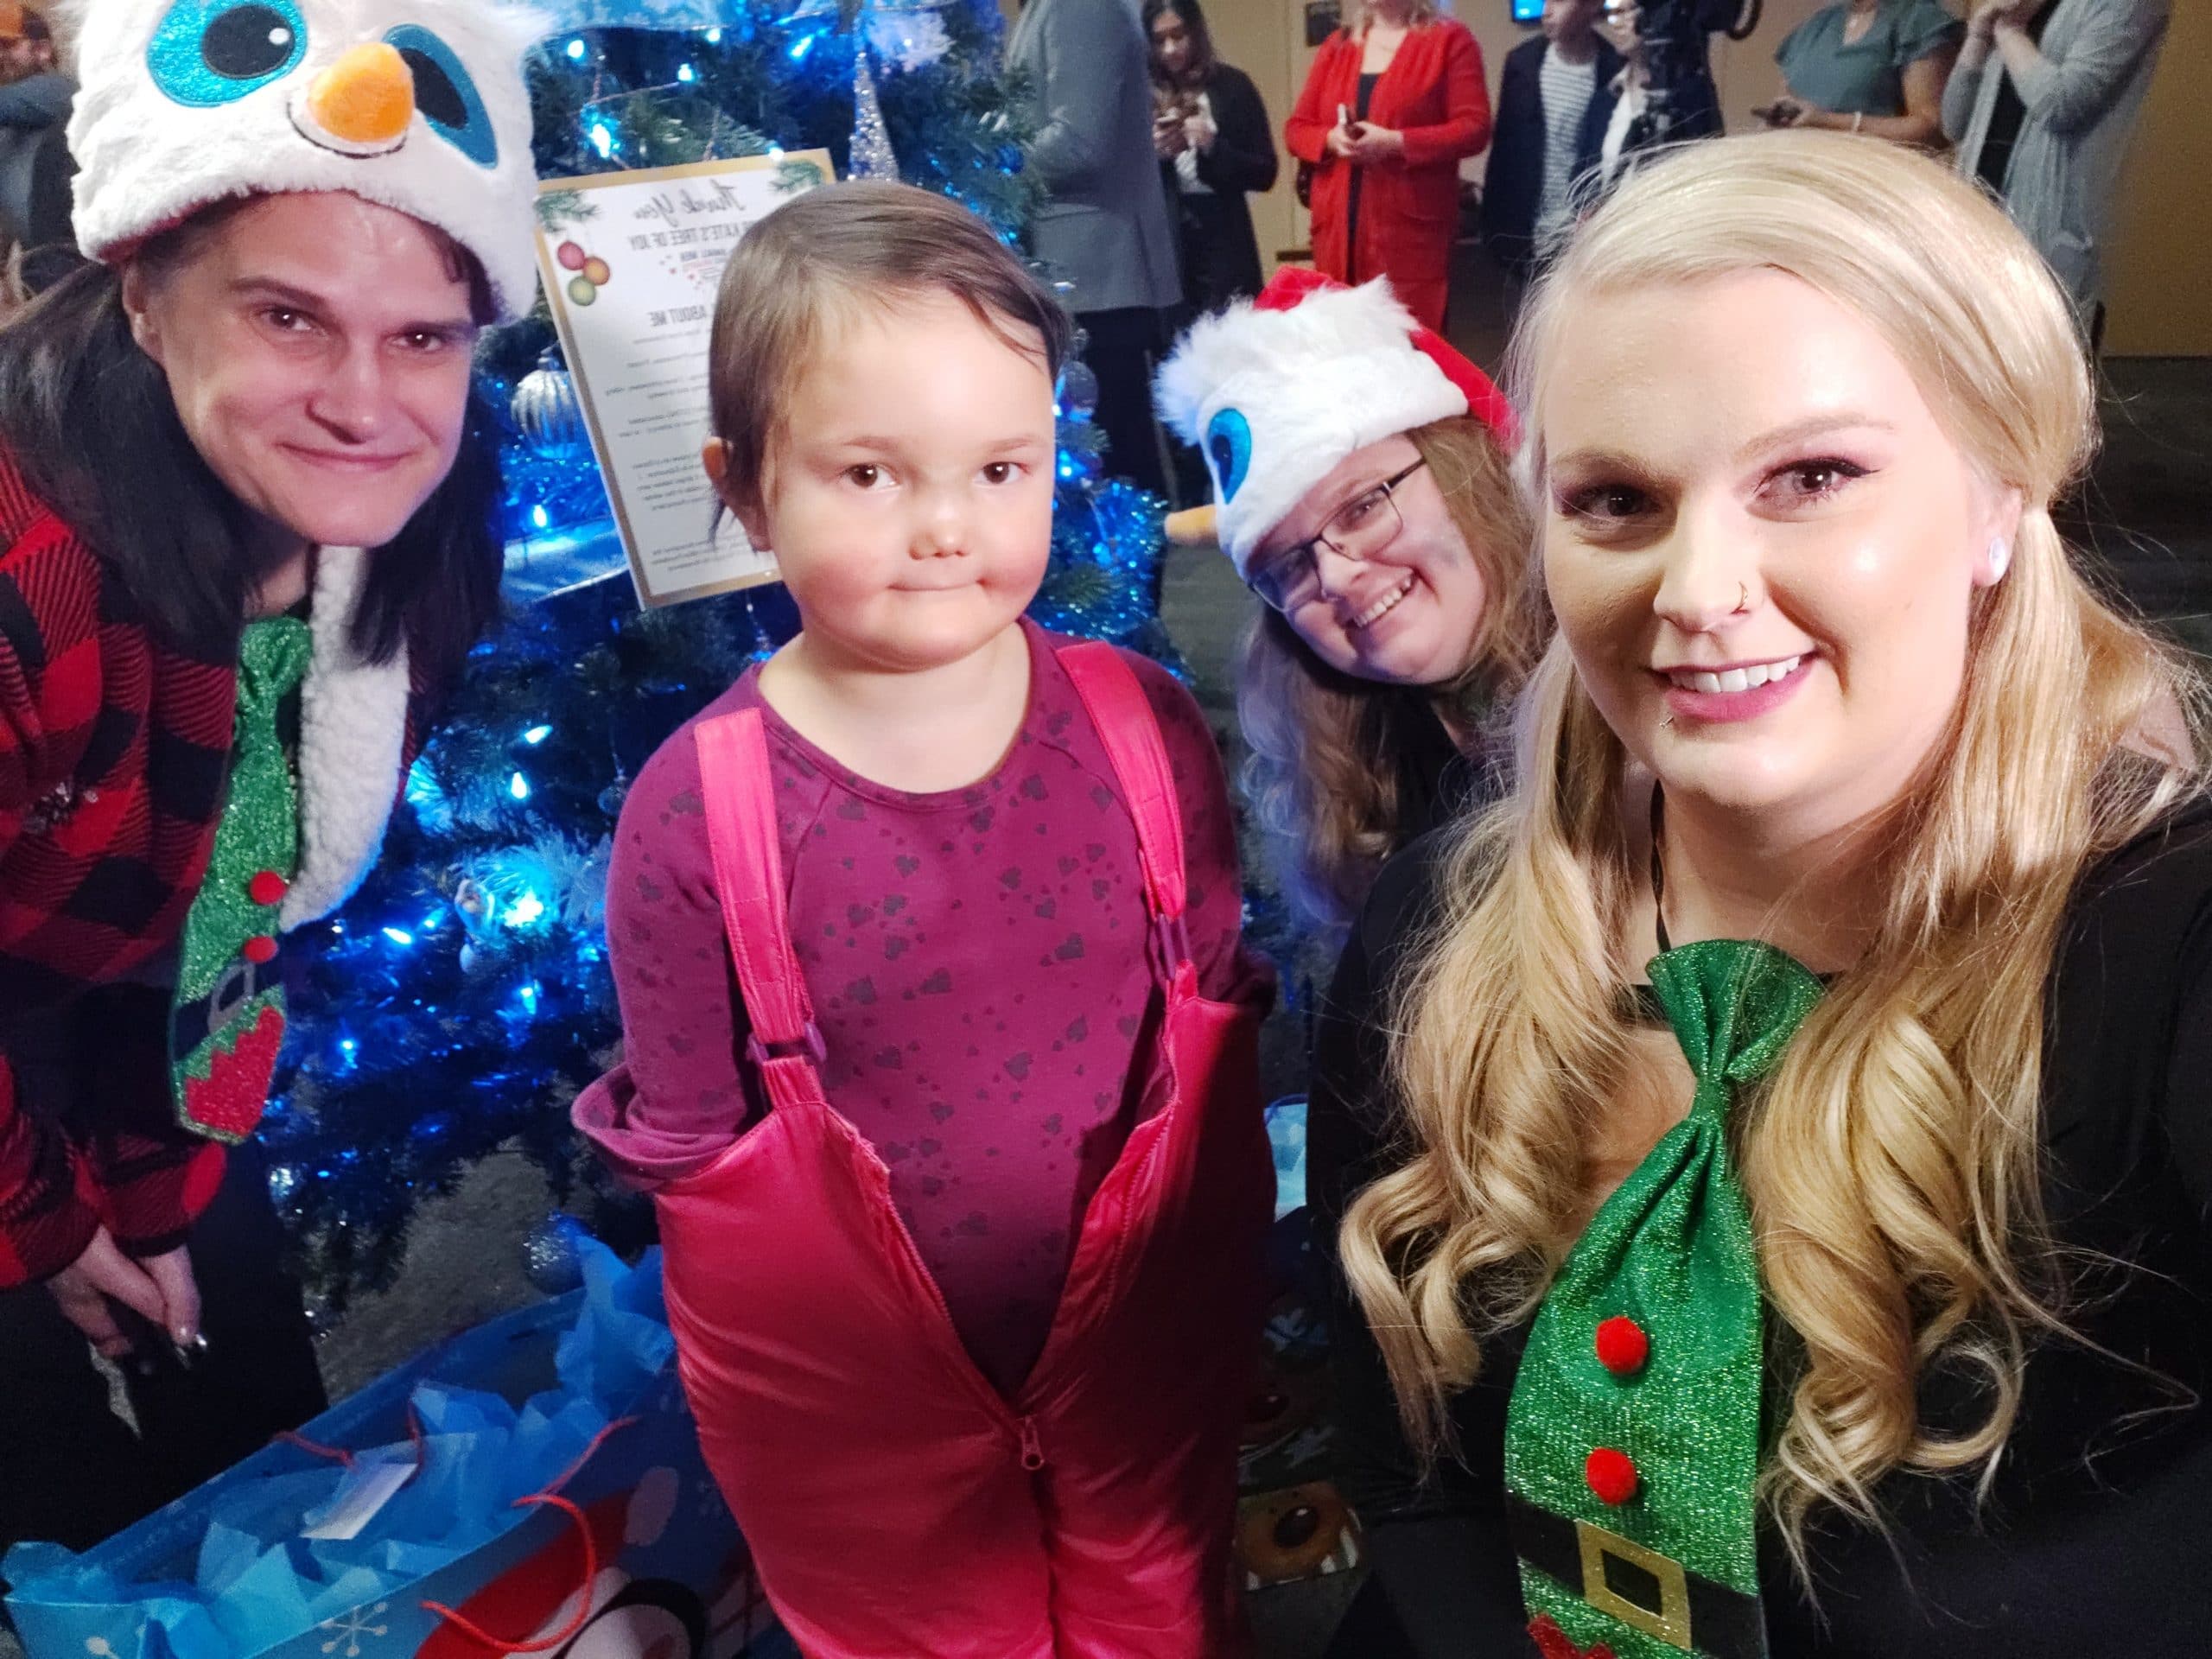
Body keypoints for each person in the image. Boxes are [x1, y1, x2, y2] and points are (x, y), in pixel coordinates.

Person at [1312, 131, 2212, 1657]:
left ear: (2005, 491)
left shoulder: (2155, 952)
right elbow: (1410, 1470)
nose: (1697, 590)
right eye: (1616, 500)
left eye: (1811, 476)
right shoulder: (1440, 941)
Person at [573, 181, 1276, 1657]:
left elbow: (1206, 1001)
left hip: (1140, 1360)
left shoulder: (1147, 724)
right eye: (872, 476)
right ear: (749, 487)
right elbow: (700, 1161)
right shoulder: (697, 813)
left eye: (1001, 468)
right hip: (861, 1431)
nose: (949, 526)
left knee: (1169, 1616)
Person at [0, 0, 541, 1553]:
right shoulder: (24, 577)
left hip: (127, 970)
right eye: (289, 318)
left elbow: (238, 893)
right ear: (149, 298)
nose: (367, 405)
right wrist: (39, 1220)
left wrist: (150, 1190)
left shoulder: (409, 515)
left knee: (231, 1360)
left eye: (423, 336)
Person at [1155, 266, 1536, 933]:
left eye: (1362, 507)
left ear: (1466, 477)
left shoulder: (1620, 685)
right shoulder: (1352, 750)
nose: (1334, 577)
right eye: (1289, 563)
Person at [1007, 0, 1182, 496]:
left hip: (1095, 275)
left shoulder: (1081, 7)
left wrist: (985, 156)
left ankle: (1131, 576)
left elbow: (1079, 144)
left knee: (1116, 469)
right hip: (1080, 273)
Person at [1943, 0, 2170, 321]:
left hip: (2048, 243)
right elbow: (1954, 121)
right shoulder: (2024, 5)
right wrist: (1978, 38)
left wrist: (2008, 33)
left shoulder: (2129, 6)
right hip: (1975, 230)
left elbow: (2059, 104)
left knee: (2037, 366)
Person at [1283, 0, 1492, 333]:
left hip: (1409, 243)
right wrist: (1330, 140)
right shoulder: (1337, 45)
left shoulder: (1449, 39)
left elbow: (1475, 128)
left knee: (1407, 359)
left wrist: (1396, 142)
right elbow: (1296, 129)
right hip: (1338, 236)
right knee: (1341, 353)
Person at [1147, 0, 1278, 315]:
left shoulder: (1232, 86)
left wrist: (1212, 146)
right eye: (1159, 40)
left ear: (1196, 31)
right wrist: (1155, 156)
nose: (1170, 49)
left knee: (1232, 338)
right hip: (1168, 236)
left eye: (1179, 36)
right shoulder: (1141, 92)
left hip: (1225, 239)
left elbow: (1265, 172)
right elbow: (1120, 177)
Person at [1482, 0, 1625, 284]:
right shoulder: (1522, 63)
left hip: (1580, 231)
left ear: (1591, 6)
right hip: (1525, 231)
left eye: (1559, 1)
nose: (1546, 10)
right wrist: (1492, 224)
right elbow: (1504, 152)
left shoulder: (1615, 70)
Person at [1758, 0, 1961, 146]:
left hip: (1863, 183)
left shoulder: (1920, 21)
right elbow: (1786, 103)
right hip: (1796, 172)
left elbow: (1933, 130)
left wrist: (1830, 122)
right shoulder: (1816, 25)